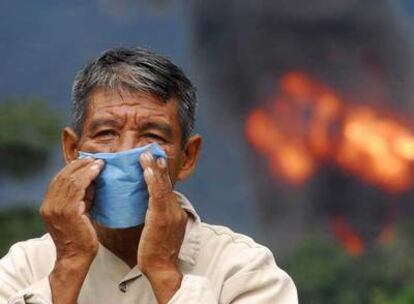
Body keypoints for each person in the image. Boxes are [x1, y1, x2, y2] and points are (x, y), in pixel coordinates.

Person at [0, 47, 298, 304]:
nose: (126, 152)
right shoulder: (25, 266)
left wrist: (164, 270)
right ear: (72, 150)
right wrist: (68, 265)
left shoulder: (243, 269)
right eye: (106, 133)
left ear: (187, 157)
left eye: (152, 136)